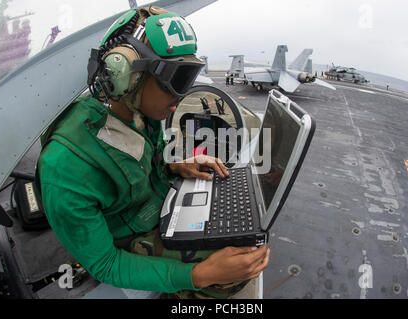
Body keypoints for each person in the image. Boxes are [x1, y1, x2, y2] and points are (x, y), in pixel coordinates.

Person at [35, 6, 269, 298]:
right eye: (174, 80)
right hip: (123, 239)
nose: (180, 96)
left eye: (187, 79)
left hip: (158, 207)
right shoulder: (65, 166)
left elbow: (146, 163)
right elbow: (105, 264)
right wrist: (197, 275)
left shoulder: (142, 114)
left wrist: (175, 167)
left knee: (245, 238)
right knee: (230, 274)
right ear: (125, 75)